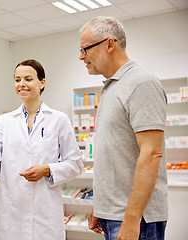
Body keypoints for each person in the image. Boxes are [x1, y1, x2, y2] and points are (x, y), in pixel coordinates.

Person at [0, 59, 83, 240]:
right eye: (17, 79)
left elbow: (75, 163)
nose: (22, 84)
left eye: (28, 79)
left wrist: (47, 169)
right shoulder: (5, 121)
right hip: (14, 214)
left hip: (46, 213)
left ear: (42, 83)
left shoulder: (58, 120)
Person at [79, 16, 168, 240]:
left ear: (109, 44)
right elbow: (113, 155)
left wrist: (131, 220)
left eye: (85, 49)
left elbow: (151, 154)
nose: (81, 57)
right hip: (114, 213)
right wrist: (100, 206)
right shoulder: (111, 88)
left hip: (137, 220)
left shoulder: (141, 83)